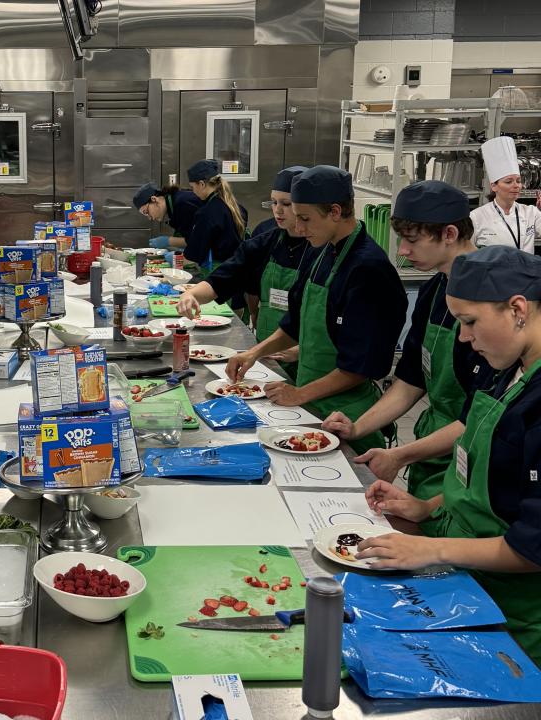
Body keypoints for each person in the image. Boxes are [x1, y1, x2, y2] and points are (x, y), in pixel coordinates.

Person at [360, 245, 541, 663]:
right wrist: (428, 508)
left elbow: (534, 546)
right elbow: (490, 480)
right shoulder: (506, 367)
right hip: (466, 581)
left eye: (470, 322)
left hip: (513, 618)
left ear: (517, 308)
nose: (463, 338)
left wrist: (432, 550)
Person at [323, 181, 486, 522]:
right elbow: (412, 379)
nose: (402, 251)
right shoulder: (433, 291)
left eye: (412, 240)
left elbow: (478, 419)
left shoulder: (487, 302)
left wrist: (401, 455)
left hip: (474, 464)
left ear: (450, 233)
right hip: (432, 455)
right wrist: (358, 427)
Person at [225, 165, 407, 455]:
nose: (298, 228)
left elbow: (360, 367)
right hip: (310, 399)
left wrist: (299, 394)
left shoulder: (368, 269)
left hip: (347, 412)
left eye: (305, 219)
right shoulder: (320, 249)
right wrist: (254, 352)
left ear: (335, 211)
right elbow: (295, 322)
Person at [178, 166, 310, 379]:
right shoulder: (265, 241)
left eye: (286, 204)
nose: (277, 210)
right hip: (266, 355)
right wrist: (191, 295)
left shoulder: (321, 251)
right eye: (274, 202)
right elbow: (225, 277)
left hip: (308, 359)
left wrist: (303, 351)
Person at [470, 136, 541, 252]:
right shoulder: (476, 217)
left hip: (526, 270)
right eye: (509, 182)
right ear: (494, 186)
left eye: (518, 181)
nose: (516, 185)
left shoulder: (531, 213)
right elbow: (467, 254)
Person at [184, 159, 248, 269]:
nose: (193, 192)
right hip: (238, 270)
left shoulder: (207, 213)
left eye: (192, 187)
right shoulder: (236, 207)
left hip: (218, 273)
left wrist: (173, 259)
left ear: (202, 184)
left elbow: (193, 255)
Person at [132, 181, 203, 250]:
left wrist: (169, 241)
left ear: (154, 199)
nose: (150, 218)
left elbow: (200, 239)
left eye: (146, 212)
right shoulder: (173, 207)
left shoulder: (182, 203)